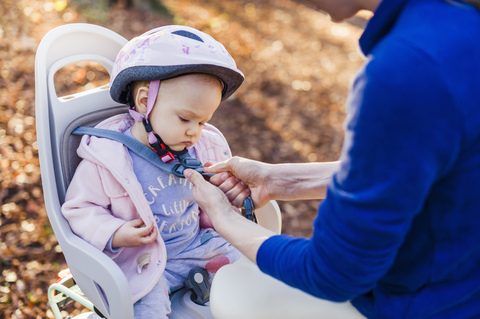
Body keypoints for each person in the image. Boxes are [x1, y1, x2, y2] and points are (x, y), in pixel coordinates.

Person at [183, 0, 480, 318]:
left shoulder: (410, 70)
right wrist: (281, 180)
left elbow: (334, 273)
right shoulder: (458, 30)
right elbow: (414, 171)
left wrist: (223, 218)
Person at [62, 25, 249, 318]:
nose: (194, 132)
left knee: (252, 268)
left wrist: (222, 197)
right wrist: (115, 232)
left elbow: (209, 205)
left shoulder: (200, 150)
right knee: (144, 305)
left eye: (202, 122)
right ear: (145, 102)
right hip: (145, 261)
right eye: (186, 118)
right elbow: (79, 208)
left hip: (197, 245)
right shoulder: (108, 157)